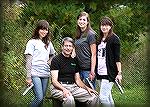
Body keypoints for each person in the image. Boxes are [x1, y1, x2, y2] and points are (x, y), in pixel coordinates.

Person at [50, 37, 99, 107]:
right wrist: (64, 90)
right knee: (69, 99)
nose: (68, 48)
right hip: (58, 88)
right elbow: (54, 81)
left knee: (94, 96)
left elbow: (78, 80)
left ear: (73, 48)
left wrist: (87, 88)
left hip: (73, 87)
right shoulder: (56, 60)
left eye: (70, 46)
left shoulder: (74, 60)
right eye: (66, 46)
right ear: (62, 47)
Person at [24, 20, 56, 107]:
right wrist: (28, 76)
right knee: (39, 97)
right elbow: (28, 60)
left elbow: (53, 54)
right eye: (42, 29)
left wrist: (49, 61)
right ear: (38, 29)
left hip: (45, 73)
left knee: (42, 100)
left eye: (46, 30)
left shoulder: (48, 43)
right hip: (35, 73)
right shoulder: (32, 42)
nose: (44, 31)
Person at [96, 16, 122, 107]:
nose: (104, 27)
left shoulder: (115, 39)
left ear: (110, 26)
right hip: (99, 72)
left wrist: (119, 73)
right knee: (108, 96)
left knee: (102, 98)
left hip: (110, 72)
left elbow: (117, 58)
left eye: (107, 25)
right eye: (102, 25)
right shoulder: (99, 39)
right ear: (100, 26)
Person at [74, 11, 97, 89]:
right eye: (80, 19)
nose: (82, 21)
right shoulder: (77, 35)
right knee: (81, 93)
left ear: (87, 22)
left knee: (91, 92)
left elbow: (94, 54)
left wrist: (92, 71)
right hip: (78, 69)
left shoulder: (91, 34)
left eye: (84, 20)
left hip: (88, 70)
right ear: (77, 21)